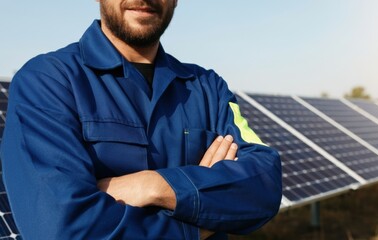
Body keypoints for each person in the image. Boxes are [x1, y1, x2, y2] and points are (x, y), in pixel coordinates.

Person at [1, 0, 282, 239]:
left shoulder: (208, 87)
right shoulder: (47, 81)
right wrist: (195, 228)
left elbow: (264, 182)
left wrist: (152, 185)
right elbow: (61, 228)